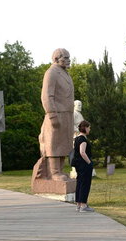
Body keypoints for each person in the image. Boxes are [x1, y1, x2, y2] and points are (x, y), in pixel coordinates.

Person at [32, 48, 75, 182]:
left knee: (63, 144)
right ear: (56, 59)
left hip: (67, 114)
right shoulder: (51, 73)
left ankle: (60, 171)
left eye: (69, 58)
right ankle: (53, 172)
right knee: (54, 144)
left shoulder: (65, 73)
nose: (68, 61)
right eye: (65, 58)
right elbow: (46, 96)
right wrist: (52, 114)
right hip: (56, 113)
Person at [73, 120, 94, 212]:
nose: (89, 129)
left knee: (80, 183)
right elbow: (82, 152)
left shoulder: (77, 138)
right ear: (85, 128)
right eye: (89, 127)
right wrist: (89, 162)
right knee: (85, 183)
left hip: (78, 164)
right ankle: (83, 205)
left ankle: (78, 204)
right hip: (84, 164)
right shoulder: (83, 140)